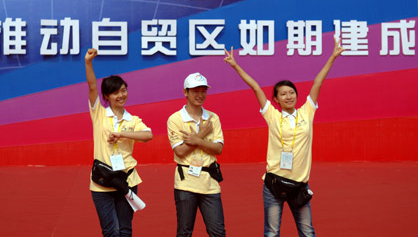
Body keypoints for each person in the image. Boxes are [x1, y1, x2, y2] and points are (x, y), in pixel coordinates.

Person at [223, 38, 344, 237]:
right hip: (274, 184)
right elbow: (255, 88)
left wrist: (332, 57)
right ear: (276, 99)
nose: (288, 96)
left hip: (300, 185)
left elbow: (318, 82)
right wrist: (236, 66)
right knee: (271, 233)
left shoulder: (307, 112)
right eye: (283, 94)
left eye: (291, 92)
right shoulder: (272, 115)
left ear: (296, 95)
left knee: (307, 232)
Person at [85, 48, 153, 237]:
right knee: (111, 231)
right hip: (102, 182)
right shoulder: (98, 113)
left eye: (123, 91)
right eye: (115, 93)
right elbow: (92, 87)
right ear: (106, 96)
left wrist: (123, 135)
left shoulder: (133, 120)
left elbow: (148, 135)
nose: (120, 95)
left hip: (127, 180)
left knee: (125, 229)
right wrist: (88, 63)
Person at [167, 72, 226, 237]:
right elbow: (179, 151)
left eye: (203, 91)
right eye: (195, 91)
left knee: (218, 232)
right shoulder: (175, 119)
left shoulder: (213, 118)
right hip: (186, 182)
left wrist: (195, 140)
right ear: (185, 92)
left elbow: (218, 149)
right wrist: (202, 134)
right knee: (185, 232)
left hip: (210, 182)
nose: (200, 95)